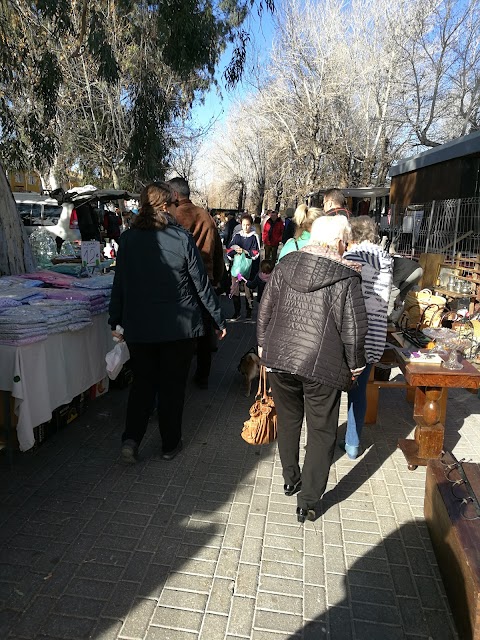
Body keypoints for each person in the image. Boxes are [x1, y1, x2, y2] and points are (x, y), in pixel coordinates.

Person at [257, 216, 368, 523]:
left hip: (280, 358)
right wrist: (356, 366)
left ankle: (291, 479)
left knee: (290, 420)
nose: (346, 247)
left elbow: (264, 310)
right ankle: (308, 501)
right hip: (321, 365)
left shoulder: (285, 265)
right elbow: (355, 331)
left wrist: (263, 346)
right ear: (336, 242)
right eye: (345, 241)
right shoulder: (347, 277)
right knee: (321, 431)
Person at [109, 182, 227, 463]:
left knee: (142, 385)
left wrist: (116, 320)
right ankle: (169, 445)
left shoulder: (127, 240)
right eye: (173, 205)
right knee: (172, 388)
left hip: (140, 327)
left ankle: (131, 440)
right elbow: (201, 285)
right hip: (179, 328)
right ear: (166, 206)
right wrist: (218, 318)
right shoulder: (181, 238)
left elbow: (120, 284)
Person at [342, 215, 393, 459]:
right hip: (374, 334)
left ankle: (326, 441)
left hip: (350, 333)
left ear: (352, 236)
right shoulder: (386, 259)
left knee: (333, 389)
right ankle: (352, 443)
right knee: (359, 390)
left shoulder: (351, 258)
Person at [168, 176, 225, 389]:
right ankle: (202, 376)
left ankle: (178, 378)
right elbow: (217, 251)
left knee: (181, 333)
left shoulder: (173, 216)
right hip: (205, 281)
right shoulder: (205, 215)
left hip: (181, 282)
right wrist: (217, 278)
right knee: (204, 332)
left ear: (173, 194)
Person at [226, 214, 261, 320]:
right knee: (235, 290)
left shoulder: (254, 237)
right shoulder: (237, 236)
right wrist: (234, 251)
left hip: (249, 269)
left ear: (251, 225)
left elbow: (256, 252)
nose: (246, 227)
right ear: (241, 224)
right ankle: (237, 312)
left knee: (248, 292)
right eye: (244, 225)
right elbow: (229, 250)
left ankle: (249, 311)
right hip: (237, 268)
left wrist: (246, 252)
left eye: (248, 225)